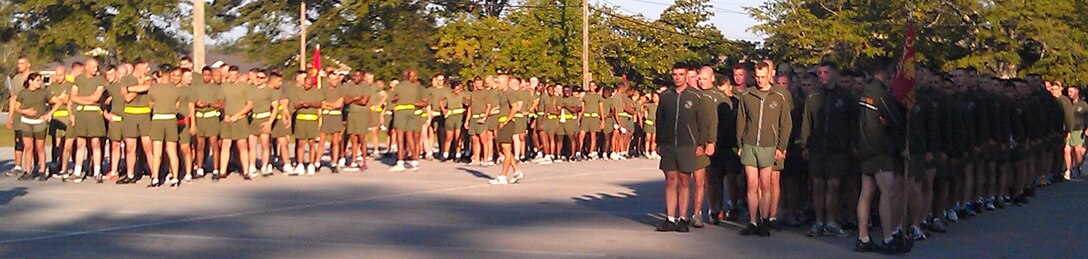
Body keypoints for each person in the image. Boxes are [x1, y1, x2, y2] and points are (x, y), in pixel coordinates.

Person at [854, 65, 908, 254]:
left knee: (866, 193)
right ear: (886, 73)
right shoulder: (879, 93)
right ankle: (887, 238)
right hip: (879, 148)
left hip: (864, 148)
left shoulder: (865, 92)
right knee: (888, 193)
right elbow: (895, 119)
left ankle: (863, 237)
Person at [800, 62, 858, 237]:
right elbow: (807, 123)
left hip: (838, 149)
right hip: (817, 148)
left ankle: (832, 221)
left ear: (835, 74)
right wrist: (805, 144)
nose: (822, 75)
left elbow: (855, 122)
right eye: (820, 72)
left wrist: (853, 143)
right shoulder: (814, 97)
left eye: (826, 72)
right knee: (818, 185)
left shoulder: (846, 97)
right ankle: (819, 221)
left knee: (834, 185)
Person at [736, 61, 792, 236]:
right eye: (757, 77)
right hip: (750, 144)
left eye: (763, 77)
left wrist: (781, 146)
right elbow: (741, 121)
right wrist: (740, 144)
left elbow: (786, 123)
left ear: (770, 75)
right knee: (752, 183)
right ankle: (752, 221)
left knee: (765, 184)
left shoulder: (779, 96)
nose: (760, 80)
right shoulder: (747, 95)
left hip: (769, 145)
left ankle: (765, 219)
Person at [655, 64, 706, 233]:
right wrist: (658, 142)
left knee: (684, 181)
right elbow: (660, 121)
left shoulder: (696, 96)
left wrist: (701, 143)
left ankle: (682, 217)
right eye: (675, 74)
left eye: (681, 74)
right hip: (669, 144)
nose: (677, 77)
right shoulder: (665, 97)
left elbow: (702, 122)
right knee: (670, 180)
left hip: (687, 145)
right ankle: (670, 217)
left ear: (686, 76)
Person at [68, 58, 108, 183]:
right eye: (93, 67)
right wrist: (87, 100)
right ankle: (77, 171)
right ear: (87, 67)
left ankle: (97, 171)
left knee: (95, 143)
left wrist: (83, 99)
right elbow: (73, 97)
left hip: (94, 113)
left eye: (97, 67)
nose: (96, 69)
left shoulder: (100, 79)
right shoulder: (78, 79)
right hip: (81, 113)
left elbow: (96, 98)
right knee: (80, 143)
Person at [117, 60, 154, 184]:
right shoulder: (126, 79)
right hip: (130, 116)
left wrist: (131, 88)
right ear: (139, 66)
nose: (148, 69)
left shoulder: (148, 79)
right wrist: (137, 86)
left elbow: (147, 86)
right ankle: (130, 174)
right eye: (146, 66)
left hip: (144, 115)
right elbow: (127, 97)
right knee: (130, 147)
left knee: (148, 147)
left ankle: (155, 174)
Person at [146, 68, 183, 188]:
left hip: (158, 118)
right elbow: (177, 105)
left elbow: (150, 105)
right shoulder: (176, 89)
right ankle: (175, 178)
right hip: (171, 118)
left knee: (157, 151)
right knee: (172, 150)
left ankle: (155, 178)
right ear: (171, 74)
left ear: (160, 74)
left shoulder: (154, 88)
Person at [14, 73, 54, 181]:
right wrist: (25, 111)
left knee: (40, 147)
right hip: (26, 122)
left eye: (40, 80)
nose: (39, 82)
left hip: (39, 122)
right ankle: (28, 171)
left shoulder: (44, 93)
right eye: (37, 80)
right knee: (28, 148)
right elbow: (16, 108)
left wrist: (49, 114)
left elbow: (57, 102)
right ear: (30, 81)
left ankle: (42, 170)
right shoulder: (23, 93)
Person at [216, 66, 253, 181]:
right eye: (230, 74)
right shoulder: (223, 87)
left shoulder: (244, 87)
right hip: (226, 120)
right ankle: (223, 171)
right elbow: (220, 103)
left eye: (234, 74)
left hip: (240, 119)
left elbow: (250, 104)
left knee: (242, 145)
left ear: (238, 75)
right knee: (225, 144)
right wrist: (224, 115)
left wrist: (238, 115)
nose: (232, 77)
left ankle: (246, 171)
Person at [389, 69, 428, 171]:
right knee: (410, 136)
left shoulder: (399, 86)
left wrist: (399, 98)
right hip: (411, 111)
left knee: (400, 137)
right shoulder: (415, 87)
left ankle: (400, 162)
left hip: (401, 111)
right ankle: (415, 161)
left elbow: (393, 98)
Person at [489, 77, 526, 185]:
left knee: (506, 149)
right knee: (506, 149)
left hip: (507, 123)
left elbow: (515, 107)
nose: (497, 84)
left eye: (499, 82)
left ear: (506, 83)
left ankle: (503, 175)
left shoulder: (509, 93)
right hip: (501, 121)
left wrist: (506, 121)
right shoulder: (503, 93)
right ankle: (516, 171)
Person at [244, 69, 278, 177]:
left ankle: (264, 166)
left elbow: (275, 108)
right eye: (257, 77)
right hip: (253, 119)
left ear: (266, 79)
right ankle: (252, 166)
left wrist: (270, 122)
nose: (258, 79)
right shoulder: (251, 90)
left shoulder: (270, 91)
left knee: (265, 145)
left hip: (265, 119)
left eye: (261, 78)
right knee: (252, 145)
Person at [192, 67, 224, 179]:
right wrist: (197, 104)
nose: (206, 77)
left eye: (208, 75)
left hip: (212, 118)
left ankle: (216, 169)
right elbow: (191, 102)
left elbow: (221, 104)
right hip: (200, 118)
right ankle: (200, 168)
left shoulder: (216, 88)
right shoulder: (196, 88)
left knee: (214, 144)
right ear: (202, 75)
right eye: (204, 75)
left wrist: (209, 104)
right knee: (200, 145)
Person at [292, 72, 322, 176]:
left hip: (312, 120)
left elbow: (319, 104)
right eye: (306, 84)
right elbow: (295, 105)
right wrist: (301, 105)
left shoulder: (317, 91)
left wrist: (310, 104)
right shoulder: (298, 91)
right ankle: (300, 164)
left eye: (309, 84)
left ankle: (311, 164)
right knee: (300, 143)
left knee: (311, 143)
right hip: (300, 120)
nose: (307, 86)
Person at [344, 70, 375, 170]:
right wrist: (356, 98)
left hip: (362, 114)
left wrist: (352, 99)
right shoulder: (349, 86)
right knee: (353, 139)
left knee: (362, 139)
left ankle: (364, 161)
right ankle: (353, 161)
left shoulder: (365, 87)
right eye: (354, 75)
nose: (356, 77)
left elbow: (364, 101)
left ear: (362, 77)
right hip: (351, 114)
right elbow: (346, 100)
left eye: (358, 76)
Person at [7, 56, 32, 177]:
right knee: (18, 139)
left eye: (22, 63)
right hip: (19, 114)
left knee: (32, 142)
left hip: (32, 115)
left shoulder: (34, 77)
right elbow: (13, 98)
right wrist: (10, 116)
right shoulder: (16, 79)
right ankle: (17, 165)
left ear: (28, 65)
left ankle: (35, 165)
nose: (19, 66)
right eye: (18, 63)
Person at [319, 72, 346, 173]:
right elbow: (321, 103)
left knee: (335, 141)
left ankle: (334, 162)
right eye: (333, 79)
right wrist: (329, 105)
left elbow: (339, 104)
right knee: (322, 141)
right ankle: (317, 162)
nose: (335, 81)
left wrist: (329, 105)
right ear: (328, 80)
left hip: (336, 117)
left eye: (336, 79)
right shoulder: (323, 90)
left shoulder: (340, 90)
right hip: (326, 117)